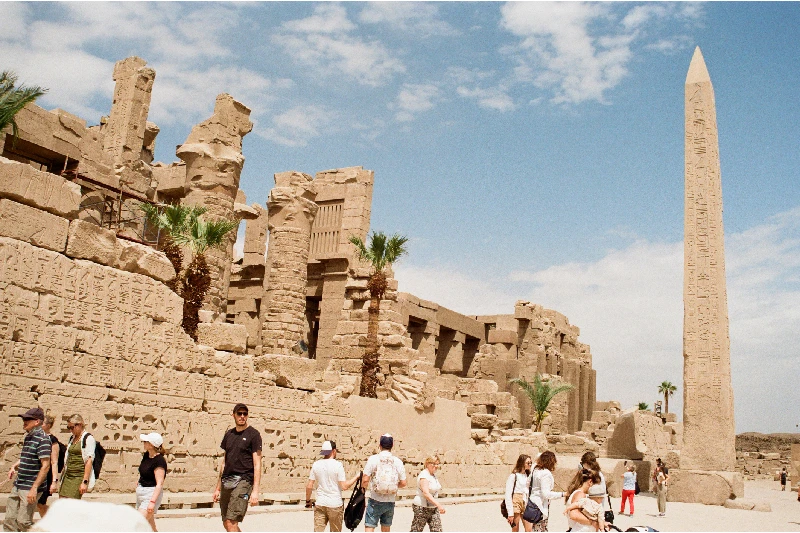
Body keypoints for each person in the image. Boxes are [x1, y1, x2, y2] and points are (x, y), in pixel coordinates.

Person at [212, 403, 262, 533]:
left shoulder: (254, 435)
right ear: (233, 415)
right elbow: (224, 462)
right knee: (226, 522)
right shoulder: (229, 434)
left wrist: (255, 491)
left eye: (245, 414)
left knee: (232, 521)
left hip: (244, 480)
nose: (242, 416)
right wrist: (217, 488)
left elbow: (257, 464)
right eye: (239, 413)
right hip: (227, 480)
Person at [3, 407, 52, 532]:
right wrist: (14, 466)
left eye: (27, 419)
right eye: (24, 419)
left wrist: (34, 489)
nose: (24, 422)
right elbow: (26, 456)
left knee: (24, 522)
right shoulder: (28, 437)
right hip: (19, 483)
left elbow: (45, 466)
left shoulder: (43, 439)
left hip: (30, 486)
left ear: (37, 422)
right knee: (9, 519)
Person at [305, 440, 360, 532]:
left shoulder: (316, 464)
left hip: (320, 503)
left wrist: (308, 501)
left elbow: (309, 486)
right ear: (334, 451)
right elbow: (344, 486)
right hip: (335, 504)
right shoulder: (338, 465)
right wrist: (356, 477)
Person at [362, 434, 407, 532]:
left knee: (370, 526)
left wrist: (362, 493)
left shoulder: (373, 459)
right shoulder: (397, 461)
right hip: (390, 500)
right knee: (386, 528)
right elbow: (404, 483)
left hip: (375, 499)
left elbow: (365, 480)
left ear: (380, 445)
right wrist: (393, 486)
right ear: (392, 446)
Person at [58, 414, 96, 500]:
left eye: (72, 427)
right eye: (68, 428)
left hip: (78, 476)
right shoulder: (72, 438)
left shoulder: (88, 438)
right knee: (62, 501)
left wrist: (85, 482)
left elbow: (89, 461)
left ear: (80, 425)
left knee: (72, 503)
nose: (70, 430)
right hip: (68, 475)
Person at [136, 432, 167, 532]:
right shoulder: (146, 456)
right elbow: (144, 471)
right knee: (151, 526)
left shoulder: (159, 461)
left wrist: (152, 502)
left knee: (138, 523)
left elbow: (159, 483)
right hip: (141, 492)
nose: (143, 443)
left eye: (145, 441)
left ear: (151, 445)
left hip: (151, 494)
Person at [527, 451, 564, 532]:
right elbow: (546, 494)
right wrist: (562, 494)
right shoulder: (545, 474)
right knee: (541, 529)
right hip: (540, 506)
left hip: (532, 503)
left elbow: (527, 483)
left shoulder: (535, 470)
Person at [410, 455, 445, 532]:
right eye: (433, 464)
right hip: (422, 507)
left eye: (437, 464)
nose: (436, 466)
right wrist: (438, 505)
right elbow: (426, 493)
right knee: (417, 530)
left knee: (437, 530)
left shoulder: (433, 475)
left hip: (433, 507)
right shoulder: (424, 475)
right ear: (427, 464)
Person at [37, 415, 61, 518]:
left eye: (42, 423)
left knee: (40, 503)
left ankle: (50, 520)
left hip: (46, 476)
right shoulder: (38, 438)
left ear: (48, 425)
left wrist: (54, 482)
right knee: (38, 503)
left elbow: (54, 462)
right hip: (37, 474)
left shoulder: (52, 440)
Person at [504, 454, 532, 532]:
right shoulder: (513, 476)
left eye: (531, 462)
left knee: (529, 529)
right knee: (515, 528)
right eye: (528, 463)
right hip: (516, 501)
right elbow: (508, 494)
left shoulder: (528, 476)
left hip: (525, 501)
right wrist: (510, 513)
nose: (530, 464)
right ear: (522, 463)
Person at [580, 452, 608, 519]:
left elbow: (591, 491)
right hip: (598, 505)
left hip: (593, 507)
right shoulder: (599, 473)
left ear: (586, 463)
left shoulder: (591, 474)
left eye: (582, 463)